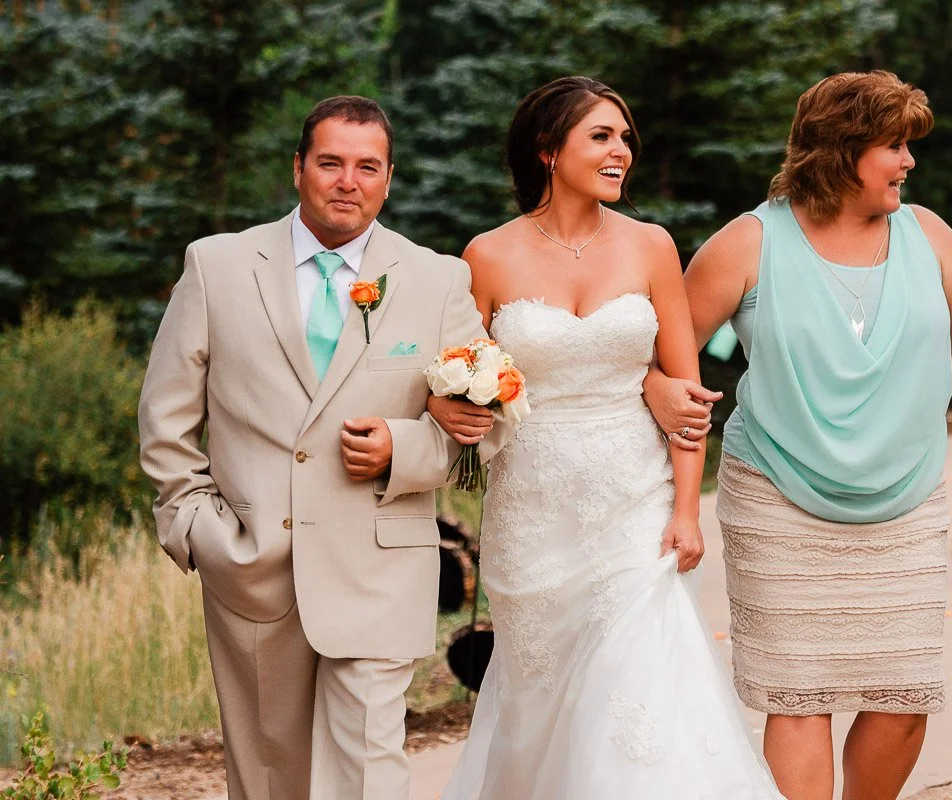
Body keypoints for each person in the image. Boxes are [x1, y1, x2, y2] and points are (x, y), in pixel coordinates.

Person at [643, 70, 952, 800]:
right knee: (802, 696)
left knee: (903, 695)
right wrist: (657, 386)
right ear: (839, 150)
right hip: (777, 497)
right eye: (894, 145)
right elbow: (665, 352)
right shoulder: (748, 243)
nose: (909, 161)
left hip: (904, 498)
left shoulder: (927, 234)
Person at [137, 95, 510, 800]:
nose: (349, 181)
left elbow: (486, 429)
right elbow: (165, 418)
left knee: (369, 768)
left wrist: (402, 449)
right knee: (269, 774)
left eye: (367, 166)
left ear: (389, 178)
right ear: (299, 169)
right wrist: (192, 528)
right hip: (250, 566)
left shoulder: (436, 280)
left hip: (380, 563)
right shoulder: (216, 266)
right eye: (331, 163)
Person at [426, 76, 784, 799]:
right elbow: (459, 378)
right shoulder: (486, 256)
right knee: (541, 702)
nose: (622, 150)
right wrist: (446, 404)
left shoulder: (652, 247)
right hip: (531, 513)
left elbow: (687, 397)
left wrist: (686, 509)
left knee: (641, 688)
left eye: (625, 138)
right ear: (548, 151)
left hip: (635, 504)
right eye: (602, 136)